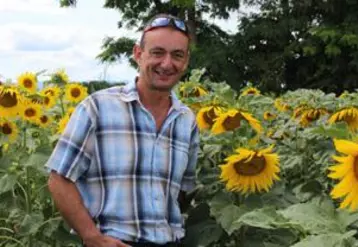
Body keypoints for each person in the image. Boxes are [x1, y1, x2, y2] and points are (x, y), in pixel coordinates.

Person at [45, 13, 200, 247]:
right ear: (138, 54)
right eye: (157, 53)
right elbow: (59, 179)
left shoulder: (186, 120)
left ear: (186, 61)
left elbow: (182, 191)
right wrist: (91, 236)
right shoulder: (98, 108)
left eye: (177, 55)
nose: (167, 64)